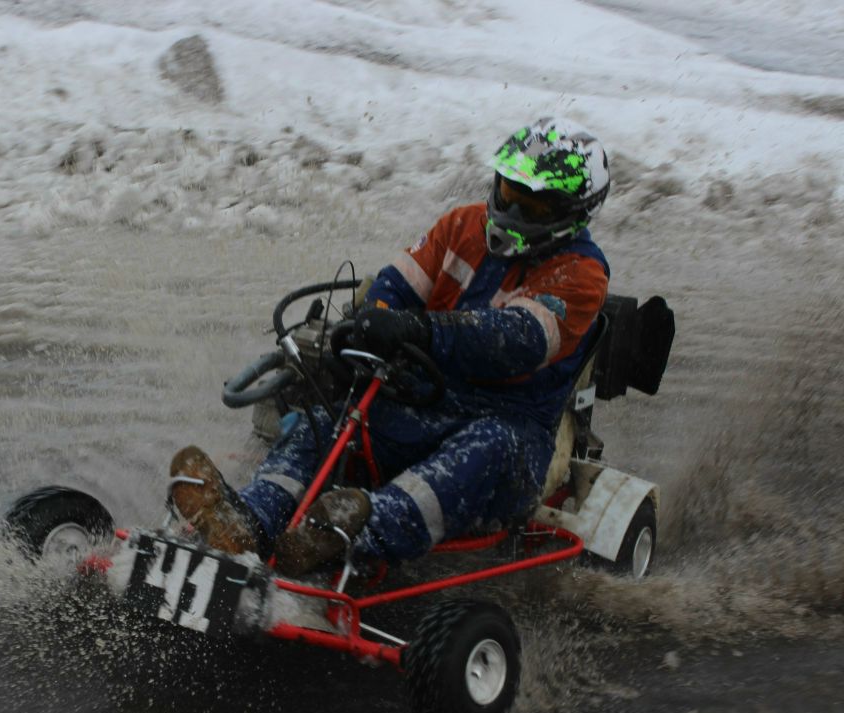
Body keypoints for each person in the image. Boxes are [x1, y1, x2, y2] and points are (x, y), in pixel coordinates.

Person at [172, 116, 612, 576]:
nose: (514, 211)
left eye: (533, 205)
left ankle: (351, 533)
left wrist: (418, 330)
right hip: (421, 401)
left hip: (506, 430)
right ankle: (251, 521)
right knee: (326, 421)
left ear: (573, 212)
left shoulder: (582, 273)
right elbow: (394, 287)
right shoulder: (462, 227)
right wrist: (372, 323)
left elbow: (514, 340)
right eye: (510, 192)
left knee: (487, 448)